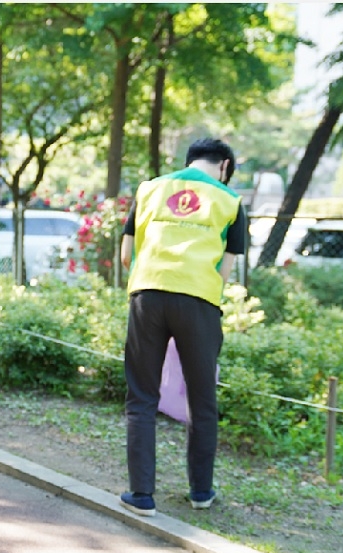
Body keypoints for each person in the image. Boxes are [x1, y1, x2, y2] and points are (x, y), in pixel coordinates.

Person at [118, 137, 248, 518]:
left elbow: (127, 254)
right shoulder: (230, 202)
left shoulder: (151, 189)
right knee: (202, 398)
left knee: (142, 395)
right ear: (224, 166)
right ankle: (201, 492)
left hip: (148, 294)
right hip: (199, 301)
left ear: (190, 161)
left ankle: (141, 494)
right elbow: (225, 270)